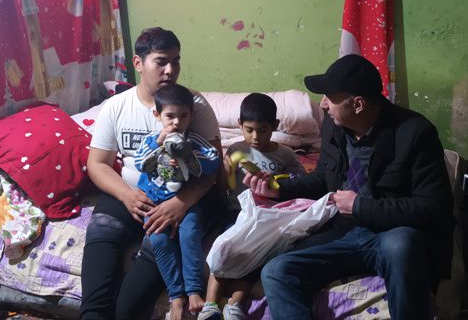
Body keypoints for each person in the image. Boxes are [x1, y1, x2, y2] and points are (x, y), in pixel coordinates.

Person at [244, 54, 454, 320]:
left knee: (401, 245)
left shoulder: (415, 133)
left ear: (357, 104)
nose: (322, 105)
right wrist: (279, 190)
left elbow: (435, 208)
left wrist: (359, 206)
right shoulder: (334, 126)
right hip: (343, 233)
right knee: (276, 271)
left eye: (330, 98)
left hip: (388, 234)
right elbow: (323, 178)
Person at [81, 27, 223, 320]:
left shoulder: (192, 105)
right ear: (138, 63)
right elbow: (97, 164)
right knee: (100, 234)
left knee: (128, 306)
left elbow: (214, 167)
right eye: (161, 61)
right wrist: (126, 195)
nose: (171, 70)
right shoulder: (117, 106)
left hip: (180, 197)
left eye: (177, 61)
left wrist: (181, 203)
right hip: (131, 194)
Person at [199, 93, 306, 320]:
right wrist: (224, 178)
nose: (255, 137)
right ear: (240, 125)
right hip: (236, 211)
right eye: (249, 130)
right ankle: (210, 305)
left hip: (266, 215)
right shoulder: (236, 151)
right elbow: (223, 185)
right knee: (224, 249)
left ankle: (234, 305)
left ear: (275, 126)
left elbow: (300, 180)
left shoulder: (284, 153)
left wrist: (282, 180)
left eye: (263, 130)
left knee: (257, 254)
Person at [133, 84, 220, 319]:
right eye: (170, 116)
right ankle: (177, 296)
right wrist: (158, 143)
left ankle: (193, 290)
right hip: (155, 202)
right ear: (157, 115)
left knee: (189, 233)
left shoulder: (194, 139)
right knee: (159, 240)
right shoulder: (152, 139)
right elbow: (139, 163)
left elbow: (214, 161)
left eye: (183, 116)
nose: (176, 122)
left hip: (186, 202)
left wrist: (188, 154)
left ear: (191, 116)